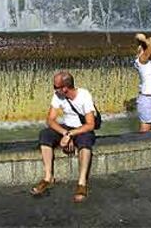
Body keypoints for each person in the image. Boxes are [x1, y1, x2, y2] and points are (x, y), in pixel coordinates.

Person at [31, 72, 96, 203]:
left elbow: (90, 124)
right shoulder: (58, 96)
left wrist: (71, 134)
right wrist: (65, 133)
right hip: (66, 128)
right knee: (45, 135)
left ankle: (82, 182)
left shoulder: (84, 96)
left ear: (64, 88)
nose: (54, 89)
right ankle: (48, 177)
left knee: (85, 142)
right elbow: (50, 120)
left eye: (55, 87)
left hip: (82, 128)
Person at [134, 33, 151, 133]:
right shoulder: (141, 61)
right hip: (145, 100)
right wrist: (147, 42)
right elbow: (139, 37)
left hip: (150, 99)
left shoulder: (147, 62)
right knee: (145, 131)